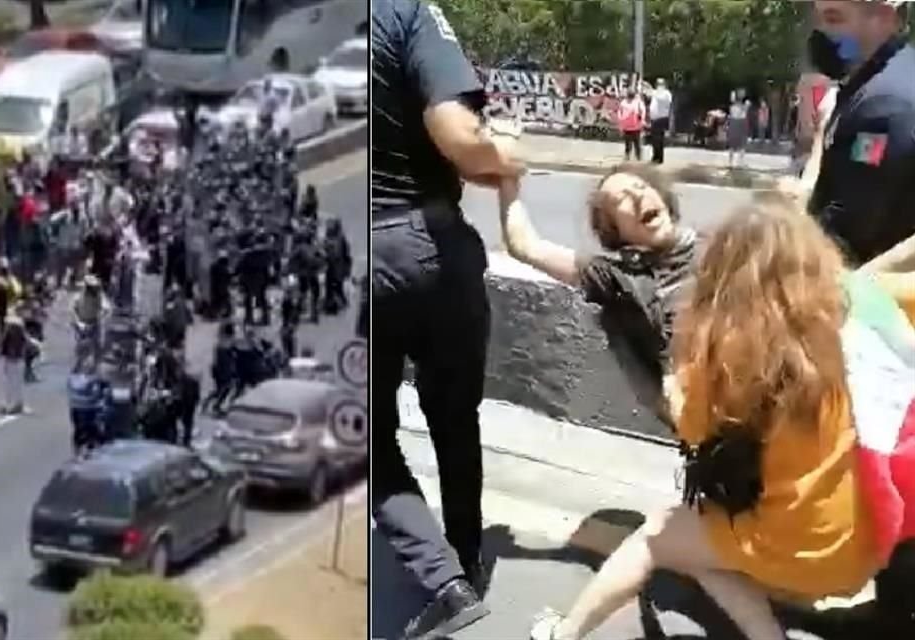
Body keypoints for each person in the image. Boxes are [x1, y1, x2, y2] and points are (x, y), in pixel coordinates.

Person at [529, 200, 896, 640]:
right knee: (696, 543)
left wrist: (675, 391)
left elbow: (693, 430)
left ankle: (562, 633)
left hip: (802, 548)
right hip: (869, 541)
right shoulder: (858, 317)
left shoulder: (728, 354)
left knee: (657, 535)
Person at [372, 1, 525, 637]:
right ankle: (463, 561)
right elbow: (461, 138)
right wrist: (509, 155)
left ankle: (445, 580)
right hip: (433, 246)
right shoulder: (406, 12)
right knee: (454, 416)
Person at [496, 147, 698, 422]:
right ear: (614, 230)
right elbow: (525, 246)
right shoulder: (618, 278)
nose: (638, 195)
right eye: (620, 201)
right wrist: (505, 175)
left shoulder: (725, 246)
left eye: (641, 186)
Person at [807, 0, 915, 265]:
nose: (821, 33)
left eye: (833, 19)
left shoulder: (883, 107)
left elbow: (846, 236)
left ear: (882, 19)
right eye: (818, 19)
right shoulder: (877, 81)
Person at [0, 313, 28, 415]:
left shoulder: (8, 333)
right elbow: (25, 344)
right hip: (17, 359)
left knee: (9, 382)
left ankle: (8, 404)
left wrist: (2, 355)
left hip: (10, 359)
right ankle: (15, 404)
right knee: (16, 383)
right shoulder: (20, 334)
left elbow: (2, 346)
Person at [617, 88, 646, 161]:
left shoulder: (623, 103)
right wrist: (642, 122)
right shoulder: (638, 102)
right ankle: (639, 159)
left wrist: (621, 126)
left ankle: (627, 158)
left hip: (626, 127)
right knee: (637, 145)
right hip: (636, 127)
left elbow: (619, 115)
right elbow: (643, 113)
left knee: (628, 145)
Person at [648, 78, 672, 164]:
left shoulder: (666, 93)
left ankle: (659, 157)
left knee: (659, 139)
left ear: (664, 85)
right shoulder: (655, 92)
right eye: (658, 84)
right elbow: (648, 94)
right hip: (654, 118)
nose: (659, 86)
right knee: (655, 139)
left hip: (661, 118)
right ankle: (655, 156)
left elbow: (665, 102)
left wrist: (655, 93)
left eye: (660, 84)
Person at [727, 89, 750, 168]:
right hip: (737, 123)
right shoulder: (735, 106)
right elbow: (740, 111)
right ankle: (733, 162)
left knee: (740, 144)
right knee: (736, 144)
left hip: (738, 123)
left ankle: (737, 162)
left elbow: (744, 109)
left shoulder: (743, 104)